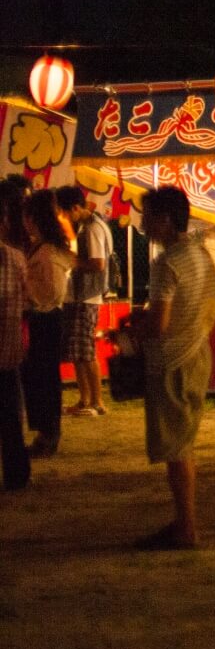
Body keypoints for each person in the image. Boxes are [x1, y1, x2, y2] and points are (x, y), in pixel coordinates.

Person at [134, 186, 215, 549]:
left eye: (148, 216)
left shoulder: (166, 263)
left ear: (166, 220)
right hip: (199, 352)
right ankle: (184, 522)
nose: (142, 224)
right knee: (184, 441)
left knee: (177, 449)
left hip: (173, 359)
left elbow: (159, 324)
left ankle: (186, 526)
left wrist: (133, 327)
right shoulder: (201, 255)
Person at [20, 189, 75, 458]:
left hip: (45, 317)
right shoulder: (41, 248)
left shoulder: (47, 252)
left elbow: (52, 291)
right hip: (42, 316)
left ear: (34, 218)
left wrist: (26, 289)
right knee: (40, 377)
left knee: (45, 377)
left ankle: (49, 434)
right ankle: (45, 432)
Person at [56, 186, 112, 418]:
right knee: (78, 350)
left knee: (86, 350)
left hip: (87, 296)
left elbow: (98, 264)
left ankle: (97, 401)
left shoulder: (93, 229)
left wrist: (71, 259)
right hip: (81, 295)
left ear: (76, 208)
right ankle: (85, 399)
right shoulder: (89, 226)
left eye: (66, 212)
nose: (65, 217)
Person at [0, 181, 32, 491]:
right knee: (10, 415)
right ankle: (16, 473)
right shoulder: (16, 258)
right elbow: (27, 301)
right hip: (8, 351)